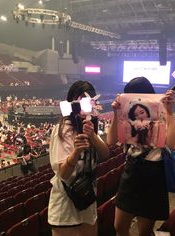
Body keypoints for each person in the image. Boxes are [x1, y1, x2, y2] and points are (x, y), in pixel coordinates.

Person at [107, 77, 175, 236]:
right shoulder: (127, 117)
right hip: (131, 171)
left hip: (154, 174)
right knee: (119, 226)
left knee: (145, 231)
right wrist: (115, 113)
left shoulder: (161, 113)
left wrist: (169, 112)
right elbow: (111, 141)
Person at [48, 81, 109, 236]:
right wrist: (76, 153)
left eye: (89, 100)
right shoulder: (62, 130)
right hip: (66, 208)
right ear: (72, 102)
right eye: (80, 99)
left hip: (87, 202)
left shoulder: (90, 126)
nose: (84, 105)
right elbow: (63, 174)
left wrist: (93, 136)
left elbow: (105, 154)